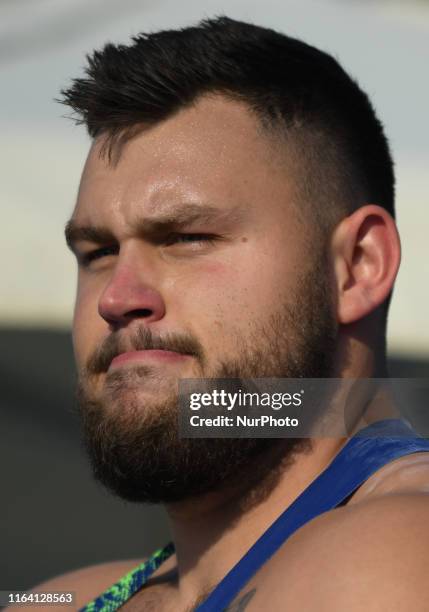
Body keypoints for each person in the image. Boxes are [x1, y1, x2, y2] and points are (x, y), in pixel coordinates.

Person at [21, 16, 429, 611]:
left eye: (187, 238)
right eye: (98, 252)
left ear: (358, 266)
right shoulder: (58, 599)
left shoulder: (390, 554)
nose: (116, 297)